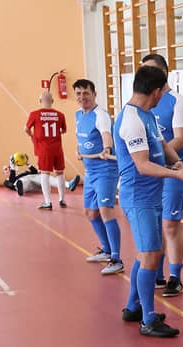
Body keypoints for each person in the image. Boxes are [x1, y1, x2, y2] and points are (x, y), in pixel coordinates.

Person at [115, 65, 183, 338]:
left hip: (152, 195)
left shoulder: (146, 115)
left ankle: (133, 306)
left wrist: (176, 160)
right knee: (149, 255)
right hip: (139, 198)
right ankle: (148, 318)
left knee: (150, 252)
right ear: (157, 92)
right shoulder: (132, 120)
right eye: (163, 92)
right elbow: (143, 165)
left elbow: (162, 144)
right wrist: (175, 174)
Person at [140, 54, 183, 297]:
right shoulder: (143, 104)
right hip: (151, 169)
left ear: (163, 74)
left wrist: (158, 159)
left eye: (149, 71)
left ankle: (175, 277)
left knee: (170, 224)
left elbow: (180, 138)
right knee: (154, 222)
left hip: (173, 169)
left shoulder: (178, 102)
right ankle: (157, 273)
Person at [73, 78, 124, 275]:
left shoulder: (100, 115)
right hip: (90, 171)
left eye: (86, 93)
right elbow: (81, 137)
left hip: (105, 170)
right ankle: (106, 249)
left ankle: (117, 259)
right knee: (90, 213)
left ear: (94, 94)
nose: (82, 97)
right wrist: (78, 150)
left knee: (105, 211)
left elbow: (105, 135)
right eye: (78, 93)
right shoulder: (78, 115)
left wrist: (107, 148)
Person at [24, 92, 68, 210]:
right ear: (52, 101)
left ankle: (48, 202)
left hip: (44, 149)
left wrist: (33, 135)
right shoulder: (60, 115)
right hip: (57, 148)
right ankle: (62, 200)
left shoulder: (35, 114)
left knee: (45, 173)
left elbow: (26, 129)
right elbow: (64, 130)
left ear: (40, 101)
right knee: (60, 173)